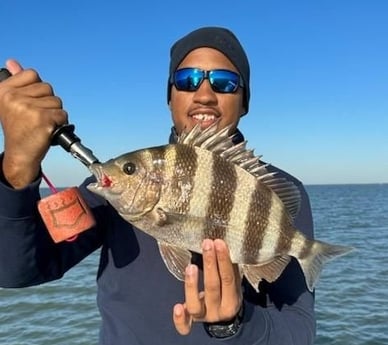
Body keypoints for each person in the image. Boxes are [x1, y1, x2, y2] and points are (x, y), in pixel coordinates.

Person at [0, 27, 316, 344]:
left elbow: (299, 331)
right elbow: (16, 271)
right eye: (187, 79)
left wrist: (236, 324)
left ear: (244, 102)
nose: (204, 94)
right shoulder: (117, 189)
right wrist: (17, 166)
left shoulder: (275, 189)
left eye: (225, 82)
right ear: (169, 97)